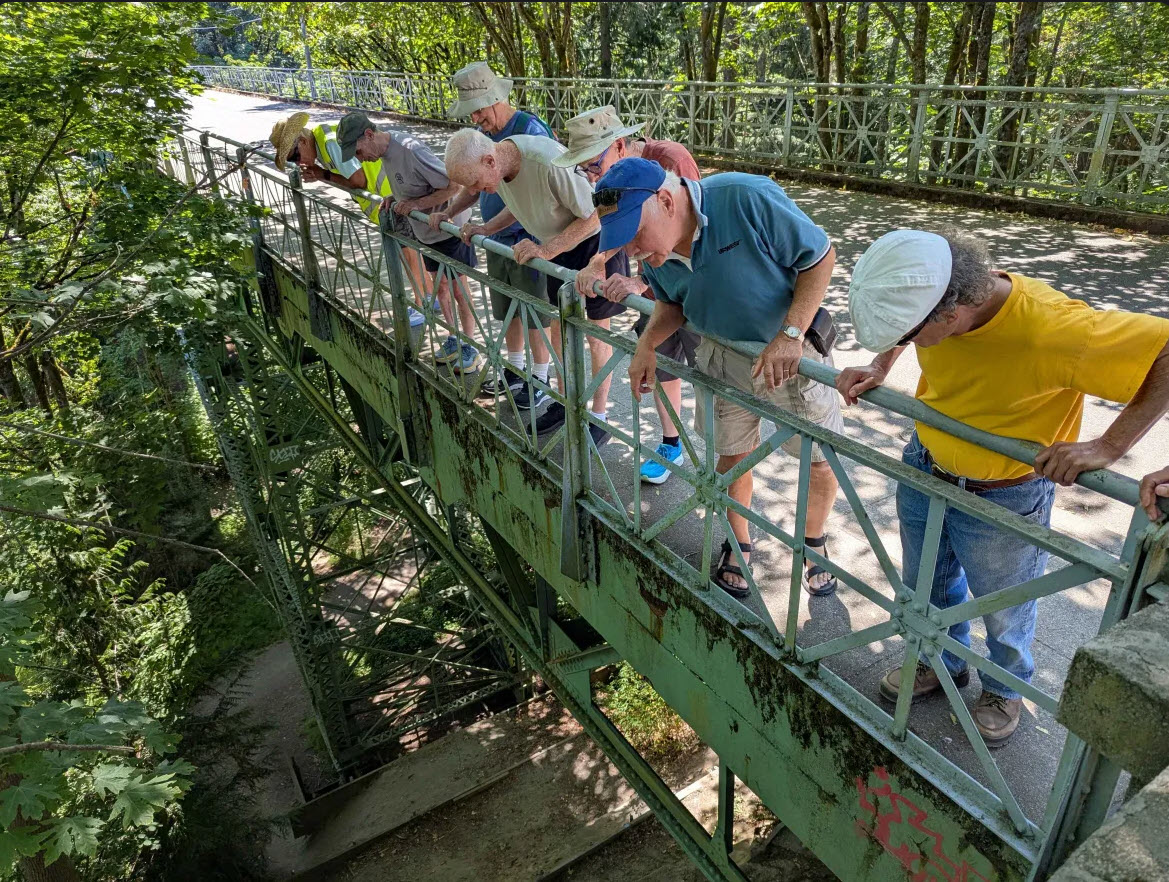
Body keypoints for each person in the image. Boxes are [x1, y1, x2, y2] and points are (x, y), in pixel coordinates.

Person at [838, 228, 1169, 745]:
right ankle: (938, 660)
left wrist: (1110, 445)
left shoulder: (1052, 328)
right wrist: (881, 363)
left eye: (906, 333)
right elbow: (909, 328)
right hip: (926, 465)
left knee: (1003, 603)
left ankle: (1004, 687)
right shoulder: (946, 292)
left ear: (950, 315)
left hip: (1005, 492)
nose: (903, 341)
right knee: (925, 581)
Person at [594, 157, 844, 599]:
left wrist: (790, 333)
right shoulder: (656, 249)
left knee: (817, 457)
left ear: (667, 202)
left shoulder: (744, 196)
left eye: (634, 236)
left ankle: (814, 543)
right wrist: (646, 345)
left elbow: (820, 257)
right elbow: (674, 304)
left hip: (791, 353)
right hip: (720, 353)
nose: (631, 253)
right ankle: (740, 543)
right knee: (731, 456)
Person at [443, 127, 628, 446]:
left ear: (489, 161)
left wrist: (547, 250)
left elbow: (595, 216)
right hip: (557, 246)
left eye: (475, 182)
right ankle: (565, 402)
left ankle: (599, 418)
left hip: (596, 244)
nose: (477, 191)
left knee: (597, 336)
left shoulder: (545, 162)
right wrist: (487, 227)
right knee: (557, 329)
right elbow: (519, 204)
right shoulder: (501, 166)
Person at [560, 106, 702, 485]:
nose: (592, 177)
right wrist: (597, 261)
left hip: (689, 285)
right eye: (584, 170)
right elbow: (612, 224)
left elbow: (683, 234)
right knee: (659, 359)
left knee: (710, 373)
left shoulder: (670, 161)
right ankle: (671, 444)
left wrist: (641, 286)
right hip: (654, 283)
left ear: (619, 146)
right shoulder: (607, 178)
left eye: (592, 166)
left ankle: (722, 471)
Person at [428, 62, 556, 404]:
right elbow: (472, 184)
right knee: (508, 308)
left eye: (478, 111)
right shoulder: (484, 136)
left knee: (535, 311)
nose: (475, 119)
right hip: (499, 241)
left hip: (529, 238)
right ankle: (515, 371)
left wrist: (486, 227)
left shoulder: (530, 130)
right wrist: (448, 212)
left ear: (496, 98)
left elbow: (530, 198)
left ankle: (541, 379)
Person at [338, 112, 483, 373]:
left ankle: (470, 347)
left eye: (358, 151)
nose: (360, 159)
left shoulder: (409, 149)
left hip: (449, 228)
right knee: (440, 290)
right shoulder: (384, 154)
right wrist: (394, 197)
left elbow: (452, 186)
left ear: (369, 136)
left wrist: (416, 205)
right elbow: (412, 183)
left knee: (460, 290)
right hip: (426, 231)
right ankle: (454, 338)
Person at [269, 112, 434, 326]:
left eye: (294, 156)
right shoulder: (324, 139)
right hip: (390, 196)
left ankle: (423, 304)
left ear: (302, 141)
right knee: (410, 252)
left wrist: (322, 175)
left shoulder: (329, 144)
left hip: (389, 198)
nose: (297, 162)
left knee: (407, 253)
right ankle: (430, 296)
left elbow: (358, 181)